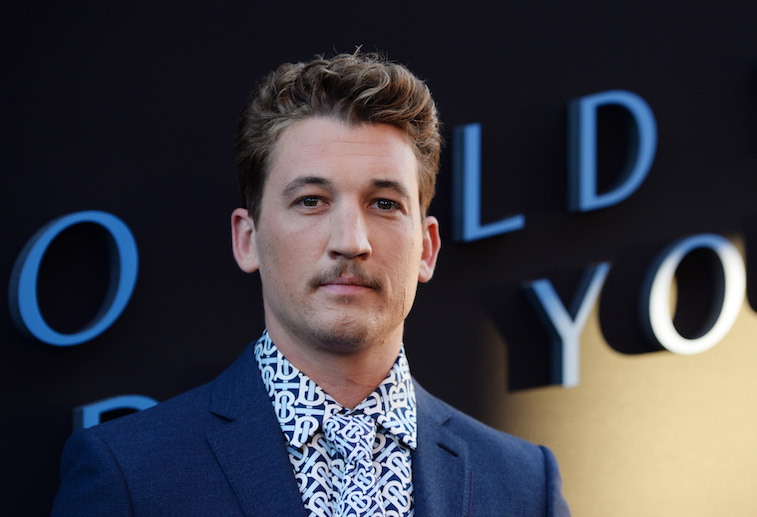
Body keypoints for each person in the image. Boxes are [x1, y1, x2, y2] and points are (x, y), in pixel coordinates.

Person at [51, 52, 571, 516]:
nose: (351, 241)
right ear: (248, 239)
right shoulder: (128, 474)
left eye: (384, 203)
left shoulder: (525, 486)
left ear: (427, 247)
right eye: (311, 201)